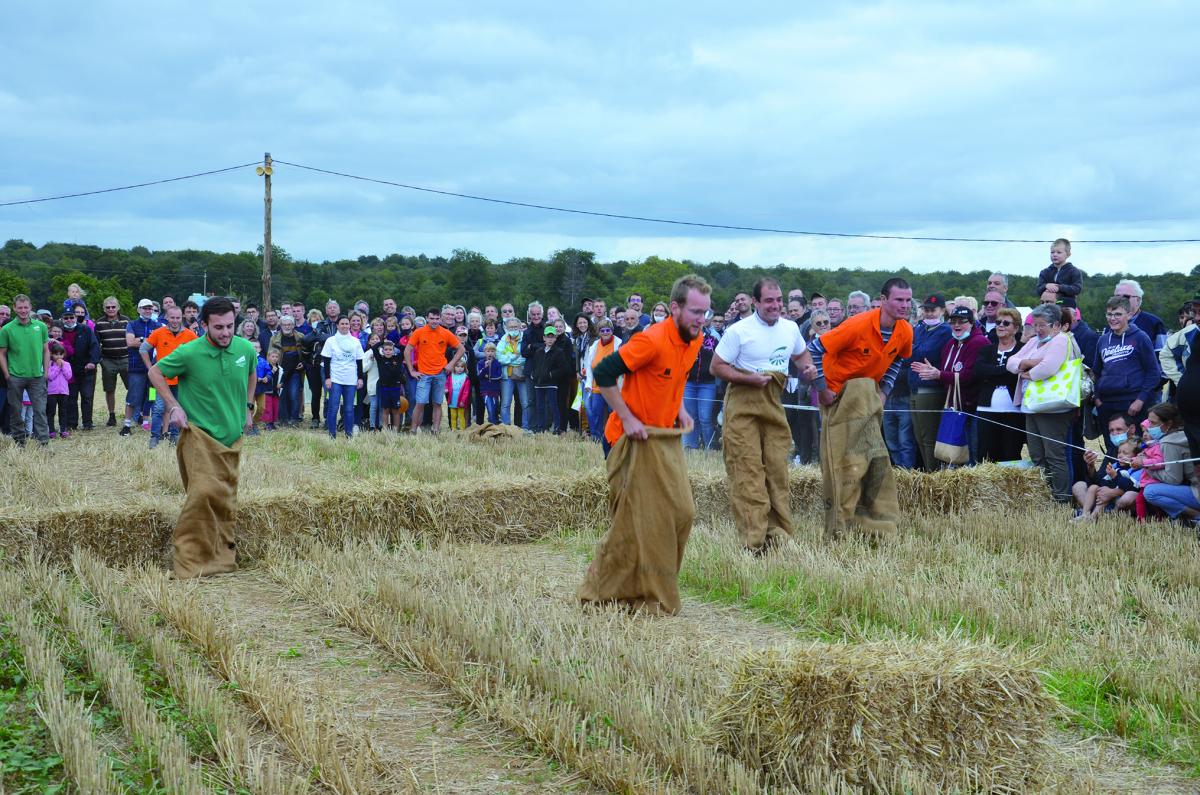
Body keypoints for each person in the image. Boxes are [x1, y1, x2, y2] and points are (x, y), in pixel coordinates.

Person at [577, 274, 711, 616]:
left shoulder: (694, 340)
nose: (701, 319)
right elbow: (603, 372)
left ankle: (649, 588)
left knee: (682, 513)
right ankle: (598, 592)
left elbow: (676, 377)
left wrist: (679, 409)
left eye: (705, 313)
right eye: (695, 312)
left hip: (663, 439)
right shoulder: (650, 340)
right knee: (631, 523)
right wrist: (629, 416)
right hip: (628, 439)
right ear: (676, 308)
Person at [147, 297, 255, 578]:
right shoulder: (190, 352)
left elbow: (252, 372)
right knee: (202, 494)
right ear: (204, 324)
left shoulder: (244, 348)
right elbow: (155, 372)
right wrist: (173, 405)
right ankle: (188, 562)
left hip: (231, 440)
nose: (226, 332)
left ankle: (219, 559)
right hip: (199, 437)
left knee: (224, 499)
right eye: (218, 327)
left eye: (230, 326)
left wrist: (248, 406)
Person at [710, 277, 814, 554]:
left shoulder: (790, 329)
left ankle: (778, 535)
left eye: (779, 300)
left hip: (773, 403)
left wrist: (809, 370)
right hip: (743, 405)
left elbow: (803, 358)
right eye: (769, 300)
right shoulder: (739, 331)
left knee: (777, 470)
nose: (776, 305)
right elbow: (717, 366)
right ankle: (753, 541)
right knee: (748, 472)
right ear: (755, 302)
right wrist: (747, 379)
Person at [808, 278, 914, 542]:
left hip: (867, 396)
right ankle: (838, 528)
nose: (904, 305)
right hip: (839, 397)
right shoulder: (857, 325)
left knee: (874, 459)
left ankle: (875, 526)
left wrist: (884, 392)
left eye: (908, 300)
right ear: (884, 299)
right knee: (843, 463)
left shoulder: (905, 331)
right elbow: (814, 349)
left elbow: (898, 361)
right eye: (899, 299)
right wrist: (822, 388)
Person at [1007, 304, 1077, 503]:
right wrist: (1028, 364)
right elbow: (1011, 362)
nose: (1037, 329)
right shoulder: (1033, 342)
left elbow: (1049, 367)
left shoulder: (1061, 340)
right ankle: (1044, 495)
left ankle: (1061, 498)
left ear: (1056, 325)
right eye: (1034, 325)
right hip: (1032, 405)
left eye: (1041, 325)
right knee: (1037, 455)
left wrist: (1029, 368)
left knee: (1055, 456)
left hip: (1053, 407)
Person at [910, 306, 989, 465]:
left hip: (971, 407)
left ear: (972, 323)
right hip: (953, 407)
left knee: (971, 453)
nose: (957, 325)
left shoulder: (980, 342)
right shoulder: (951, 343)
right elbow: (947, 374)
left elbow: (970, 375)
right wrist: (934, 372)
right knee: (952, 452)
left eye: (962, 322)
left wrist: (938, 374)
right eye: (953, 322)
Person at [1093, 296, 1160, 449]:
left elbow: (1153, 372)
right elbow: (1096, 372)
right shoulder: (1103, 340)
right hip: (1107, 404)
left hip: (1132, 403)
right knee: (1113, 448)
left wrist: (1141, 399)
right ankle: (1112, 473)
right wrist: (1097, 398)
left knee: (1134, 448)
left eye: (1117, 314)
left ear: (1129, 315)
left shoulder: (1140, 338)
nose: (1112, 318)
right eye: (1109, 314)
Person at [973, 307, 1025, 462]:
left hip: (1013, 411)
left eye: (1006, 323)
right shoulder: (986, 350)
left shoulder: (1022, 350)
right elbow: (979, 371)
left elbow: (1015, 375)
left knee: (1010, 455)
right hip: (986, 409)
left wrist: (993, 373)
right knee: (985, 455)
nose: (1000, 325)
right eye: (998, 322)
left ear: (1015, 328)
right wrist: (1006, 370)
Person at [142, 305, 197, 449]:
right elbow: (143, 349)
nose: (175, 320)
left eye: (178, 317)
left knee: (178, 408)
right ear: (166, 317)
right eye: (172, 317)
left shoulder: (190, 335)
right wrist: (150, 368)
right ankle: (154, 437)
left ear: (182, 317)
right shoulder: (158, 333)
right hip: (161, 380)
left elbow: (199, 353)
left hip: (182, 380)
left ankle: (174, 436)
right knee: (159, 408)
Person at [908, 293, 951, 471]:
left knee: (929, 437)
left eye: (933, 310)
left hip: (930, 389)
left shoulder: (945, 330)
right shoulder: (919, 328)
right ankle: (928, 471)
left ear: (942, 310)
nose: (929, 313)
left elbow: (925, 352)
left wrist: (911, 348)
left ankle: (933, 475)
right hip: (915, 387)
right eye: (926, 310)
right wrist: (912, 349)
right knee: (919, 437)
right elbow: (905, 355)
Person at [0, 295, 50, 446]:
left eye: (26, 307)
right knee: (15, 411)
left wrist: (46, 372)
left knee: (40, 410)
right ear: (14, 308)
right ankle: (20, 441)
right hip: (15, 376)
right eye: (20, 307)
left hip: (37, 376)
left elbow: (46, 350)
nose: (23, 310)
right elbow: (1, 353)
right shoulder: (7, 329)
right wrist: (7, 375)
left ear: (30, 307)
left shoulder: (40, 327)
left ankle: (43, 441)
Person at [407, 307, 464, 433]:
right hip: (423, 374)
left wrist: (451, 364)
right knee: (420, 403)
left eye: (437, 319)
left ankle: (436, 430)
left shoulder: (445, 332)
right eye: (431, 318)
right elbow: (407, 350)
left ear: (440, 319)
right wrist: (411, 370)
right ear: (427, 318)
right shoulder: (419, 332)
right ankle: (413, 430)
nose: (434, 321)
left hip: (440, 373)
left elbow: (461, 349)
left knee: (437, 403)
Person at [1141, 403, 1200, 522]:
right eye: (1149, 422)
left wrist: (1146, 467)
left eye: (1153, 423)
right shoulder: (1185, 432)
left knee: (1150, 492)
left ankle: (1195, 516)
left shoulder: (1169, 443)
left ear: (1168, 424)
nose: (1149, 427)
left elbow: (1173, 478)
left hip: (1198, 491)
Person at [322, 316, 365, 439]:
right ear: (337, 325)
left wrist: (360, 378)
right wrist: (327, 378)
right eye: (342, 323)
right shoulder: (331, 341)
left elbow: (359, 361)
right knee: (333, 407)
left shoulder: (355, 341)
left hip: (351, 380)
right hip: (335, 379)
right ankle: (332, 435)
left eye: (347, 323)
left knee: (349, 408)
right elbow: (326, 360)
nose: (345, 326)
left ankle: (349, 435)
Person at [582, 319, 622, 449]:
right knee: (595, 413)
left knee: (613, 413)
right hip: (596, 386)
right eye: (602, 330)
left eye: (608, 330)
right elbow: (589, 365)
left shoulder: (618, 343)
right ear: (599, 332)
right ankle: (596, 437)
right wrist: (588, 383)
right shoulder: (594, 345)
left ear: (612, 331)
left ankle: (613, 438)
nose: (605, 332)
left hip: (613, 387)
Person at [682, 318, 719, 451]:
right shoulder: (684, 339)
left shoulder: (712, 340)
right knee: (691, 416)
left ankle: (709, 448)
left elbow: (719, 358)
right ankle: (692, 448)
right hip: (688, 383)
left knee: (705, 417)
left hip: (707, 384)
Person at [59, 308, 99, 432]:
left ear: (76, 318)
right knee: (71, 398)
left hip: (86, 369)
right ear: (62, 319)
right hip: (68, 371)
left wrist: (92, 362)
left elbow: (95, 346)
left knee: (87, 397)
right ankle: (72, 423)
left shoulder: (86, 329)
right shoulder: (60, 332)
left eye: (71, 317)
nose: (69, 320)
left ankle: (87, 422)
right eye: (66, 318)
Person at [94, 297, 130, 427]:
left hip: (126, 358)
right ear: (104, 309)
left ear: (118, 307)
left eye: (113, 307)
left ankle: (133, 414)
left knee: (131, 388)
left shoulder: (126, 321)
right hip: (108, 360)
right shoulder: (99, 323)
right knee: (109, 389)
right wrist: (101, 360)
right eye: (108, 307)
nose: (111, 309)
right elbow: (96, 343)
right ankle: (112, 415)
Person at [528, 325, 570, 433]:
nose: (550, 339)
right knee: (540, 406)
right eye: (548, 336)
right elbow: (535, 365)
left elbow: (563, 368)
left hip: (551, 384)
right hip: (539, 383)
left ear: (555, 338)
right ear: (544, 338)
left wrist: (551, 375)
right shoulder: (539, 351)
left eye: (552, 337)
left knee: (553, 406)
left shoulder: (559, 352)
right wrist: (534, 374)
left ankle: (557, 428)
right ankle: (540, 428)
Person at [1114, 279, 1168, 351]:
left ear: (1138, 300)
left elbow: (1163, 355)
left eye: (1126, 297)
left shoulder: (1154, 323)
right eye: (1117, 297)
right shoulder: (1111, 324)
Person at [496, 317, 527, 426]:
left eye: (515, 327)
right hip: (507, 376)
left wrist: (508, 359)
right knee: (505, 403)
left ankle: (526, 427)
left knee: (525, 403)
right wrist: (514, 357)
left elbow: (525, 357)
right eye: (510, 327)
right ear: (506, 328)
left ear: (520, 327)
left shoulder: (525, 339)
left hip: (522, 375)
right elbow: (499, 357)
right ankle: (506, 427)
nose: (513, 329)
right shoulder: (503, 340)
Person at [1036, 238, 1084, 308]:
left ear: (1068, 254)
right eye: (1052, 252)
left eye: (1059, 252)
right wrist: (1046, 286)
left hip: (1067, 306)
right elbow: (1038, 289)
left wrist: (1059, 287)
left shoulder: (1074, 271)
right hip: (1047, 307)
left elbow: (1077, 289)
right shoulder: (1045, 272)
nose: (1054, 255)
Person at [46, 342, 72, 438]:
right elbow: (50, 376)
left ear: (63, 354)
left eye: (60, 354)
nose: (58, 356)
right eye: (56, 354)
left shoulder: (67, 364)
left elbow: (68, 376)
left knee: (63, 411)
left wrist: (63, 366)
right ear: (52, 354)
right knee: (51, 412)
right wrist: (57, 367)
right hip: (52, 393)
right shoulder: (49, 364)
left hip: (64, 392)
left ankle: (63, 430)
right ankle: (51, 430)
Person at [476, 342, 502, 424]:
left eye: (492, 351)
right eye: (488, 351)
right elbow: (479, 376)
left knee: (495, 409)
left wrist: (489, 376)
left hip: (495, 390)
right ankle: (492, 426)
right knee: (490, 408)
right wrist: (485, 368)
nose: (490, 353)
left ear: (495, 352)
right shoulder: (481, 363)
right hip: (485, 390)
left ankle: (495, 424)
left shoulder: (497, 363)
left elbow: (499, 376)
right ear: (484, 352)